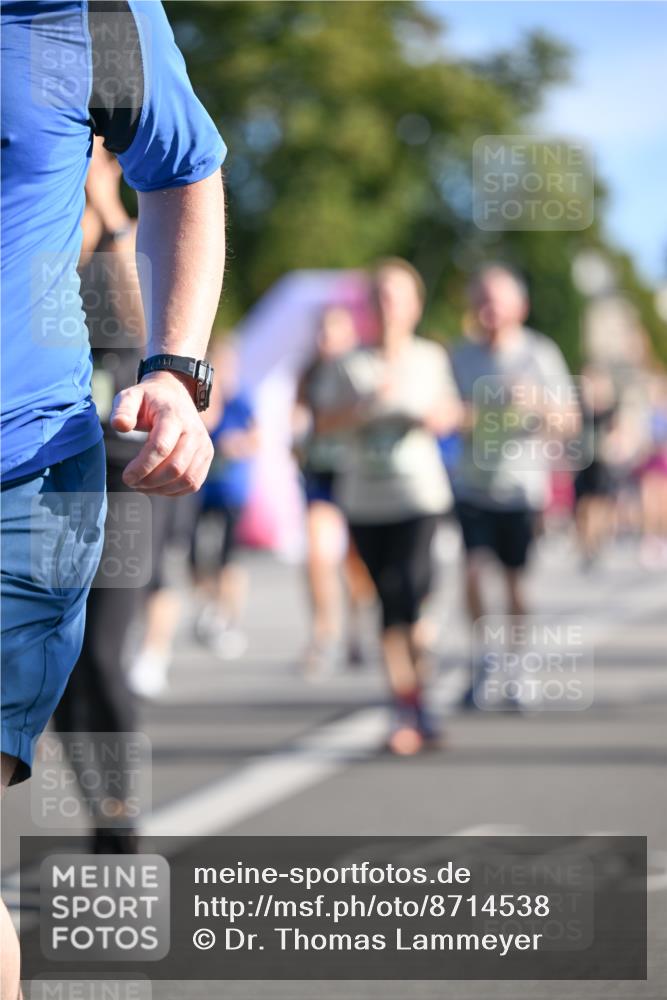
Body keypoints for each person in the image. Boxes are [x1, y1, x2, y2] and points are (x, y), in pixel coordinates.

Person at [0, 3, 226, 995]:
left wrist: (177, 373)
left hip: (35, 474)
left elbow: (181, 170)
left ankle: (117, 825)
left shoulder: (84, 15)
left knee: (107, 673)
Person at [320, 260, 461, 754]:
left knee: (408, 597)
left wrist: (432, 416)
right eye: (379, 295)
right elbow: (319, 423)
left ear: (415, 306)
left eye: (398, 296)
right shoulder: (348, 362)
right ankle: (408, 706)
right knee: (389, 604)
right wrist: (361, 409)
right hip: (365, 500)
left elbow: (451, 413)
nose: (388, 305)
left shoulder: (430, 359)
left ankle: (416, 702)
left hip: (420, 498)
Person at [53, 138, 149, 854]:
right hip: (45, 479)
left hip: (120, 478)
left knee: (105, 657)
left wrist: (106, 204)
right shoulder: (35, 234)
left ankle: (121, 813)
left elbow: (146, 327)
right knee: (56, 663)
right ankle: (102, 807)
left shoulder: (127, 238)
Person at [449, 264, 579, 708]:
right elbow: (446, 414)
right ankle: (483, 658)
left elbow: (571, 421)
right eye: (482, 298)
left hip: (522, 487)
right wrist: (469, 413)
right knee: (472, 573)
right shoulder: (460, 355)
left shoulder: (539, 354)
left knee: (516, 583)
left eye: (497, 299)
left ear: (519, 307)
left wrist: (538, 403)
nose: (488, 308)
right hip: (471, 485)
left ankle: (519, 664)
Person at [294, 306, 374, 676]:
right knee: (316, 553)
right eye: (322, 331)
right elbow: (299, 417)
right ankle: (323, 634)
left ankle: (357, 630)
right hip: (321, 474)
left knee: (356, 564)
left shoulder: (361, 368)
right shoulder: (310, 373)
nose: (326, 339)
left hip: (357, 472)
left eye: (334, 331)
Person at [192, 340, 260, 659]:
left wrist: (238, 444)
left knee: (228, 559)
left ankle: (228, 618)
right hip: (204, 488)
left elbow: (258, 437)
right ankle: (212, 606)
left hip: (232, 489)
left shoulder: (242, 399)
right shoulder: (203, 399)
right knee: (195, 557)